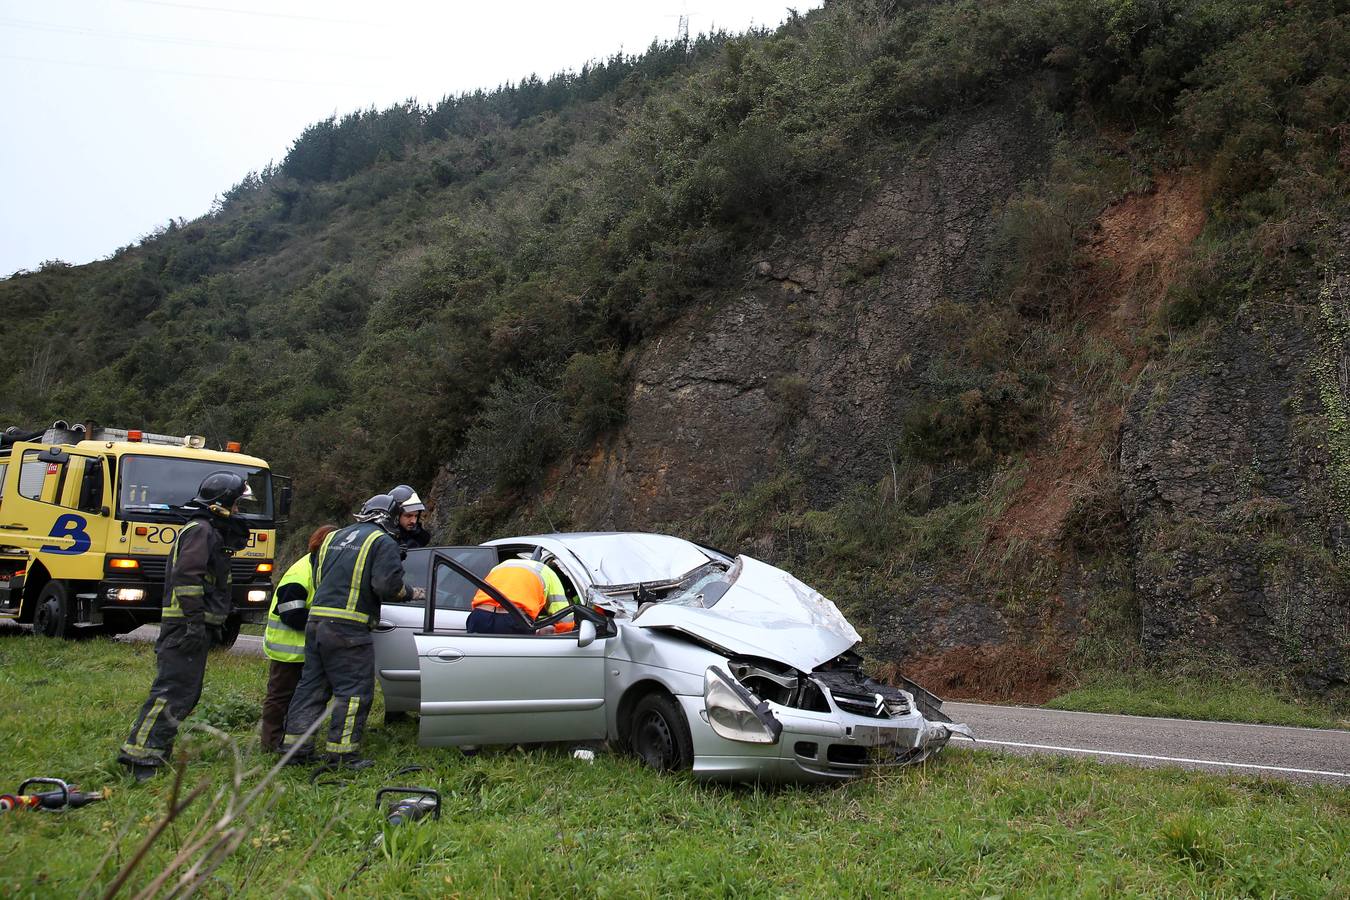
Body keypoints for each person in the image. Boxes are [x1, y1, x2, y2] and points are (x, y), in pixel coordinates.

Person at [118, 471, 251, 780]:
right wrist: (193, 622)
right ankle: (140, 756)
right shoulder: (200, 531)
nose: (239, 512)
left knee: (185, 693)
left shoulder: (208, 531)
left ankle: (154, 750)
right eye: (237, 505)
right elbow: (187, 579)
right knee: (172, 692)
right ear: (222, 503)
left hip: (193, 625)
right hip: (185, 626)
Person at [281, 494, 407, 767]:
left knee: (310, 688)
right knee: (353, 691)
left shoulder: (332, 538)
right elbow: (387, 586)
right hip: (348, 628)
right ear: (391, 517)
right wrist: (408, 592)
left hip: (316, 624)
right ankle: (342, 755)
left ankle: (295, 751)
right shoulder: (382, 541)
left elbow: (318, 579)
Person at [258, 523, 337, 753]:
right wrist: (323, 623)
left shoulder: (321, 568)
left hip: (305, 649)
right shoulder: (300, 573)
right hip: (287, 650)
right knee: (280, 698)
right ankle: (271, 744)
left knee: (301, 698)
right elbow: (291, 615)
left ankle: (294, 741)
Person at [466, 555, 574, 635]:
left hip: (479, 617)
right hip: (512, 620)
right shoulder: (547, 573)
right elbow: (564, 618)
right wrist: (559, 631)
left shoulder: (501, 566)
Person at [388, 484, 430, 549]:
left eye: (416, 516)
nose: (413, 521)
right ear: (395, 515)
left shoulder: (419, 537)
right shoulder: (387, 541)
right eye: (408, 516)